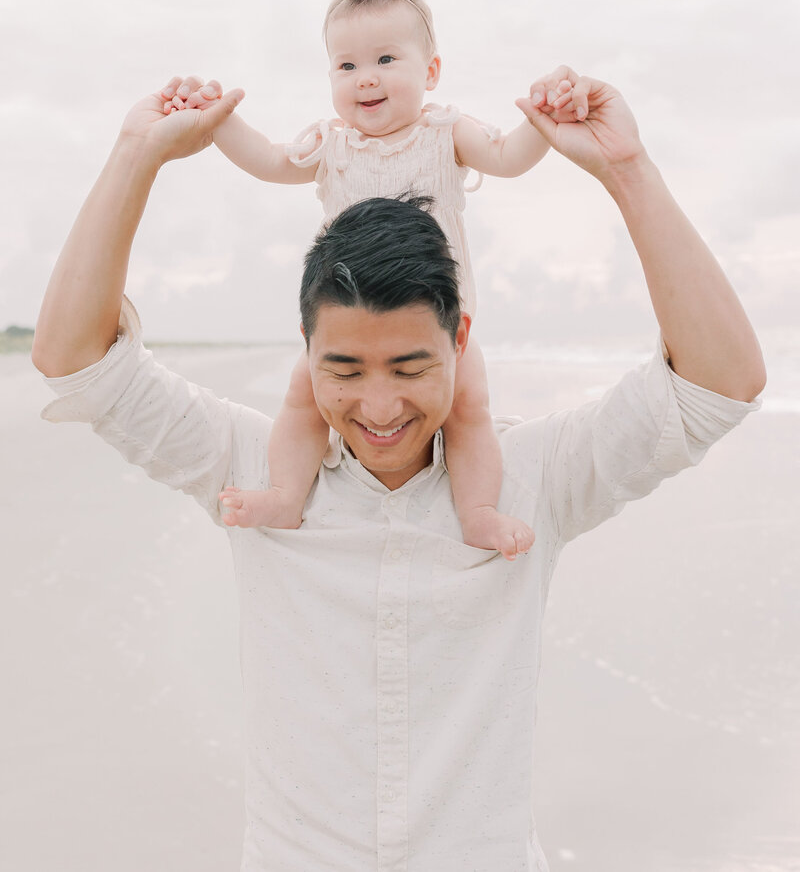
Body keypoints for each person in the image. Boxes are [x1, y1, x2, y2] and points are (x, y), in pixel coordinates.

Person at [32, 67, 765, 872]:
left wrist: (627, 171)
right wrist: (137, 152)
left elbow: (718, 379)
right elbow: (74, 360)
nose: (379, 408)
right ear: (305, 352)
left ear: (461, 339)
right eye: (343, 371)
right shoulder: (256, 473)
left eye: (410, 366)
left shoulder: (532, 478)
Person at [175, 0, 579, 559]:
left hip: (438, 321)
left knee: (469, 408)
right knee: (301, 397)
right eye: (346, 65)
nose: (366, 77)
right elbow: (266, 160)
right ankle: (287, 494)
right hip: (352, 321)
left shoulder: (445, 134)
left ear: (431, 71)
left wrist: (544, 121)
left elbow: (508, 158)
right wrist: (217, 121)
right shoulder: (332, 146)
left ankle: (479, 512)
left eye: (386, 59)